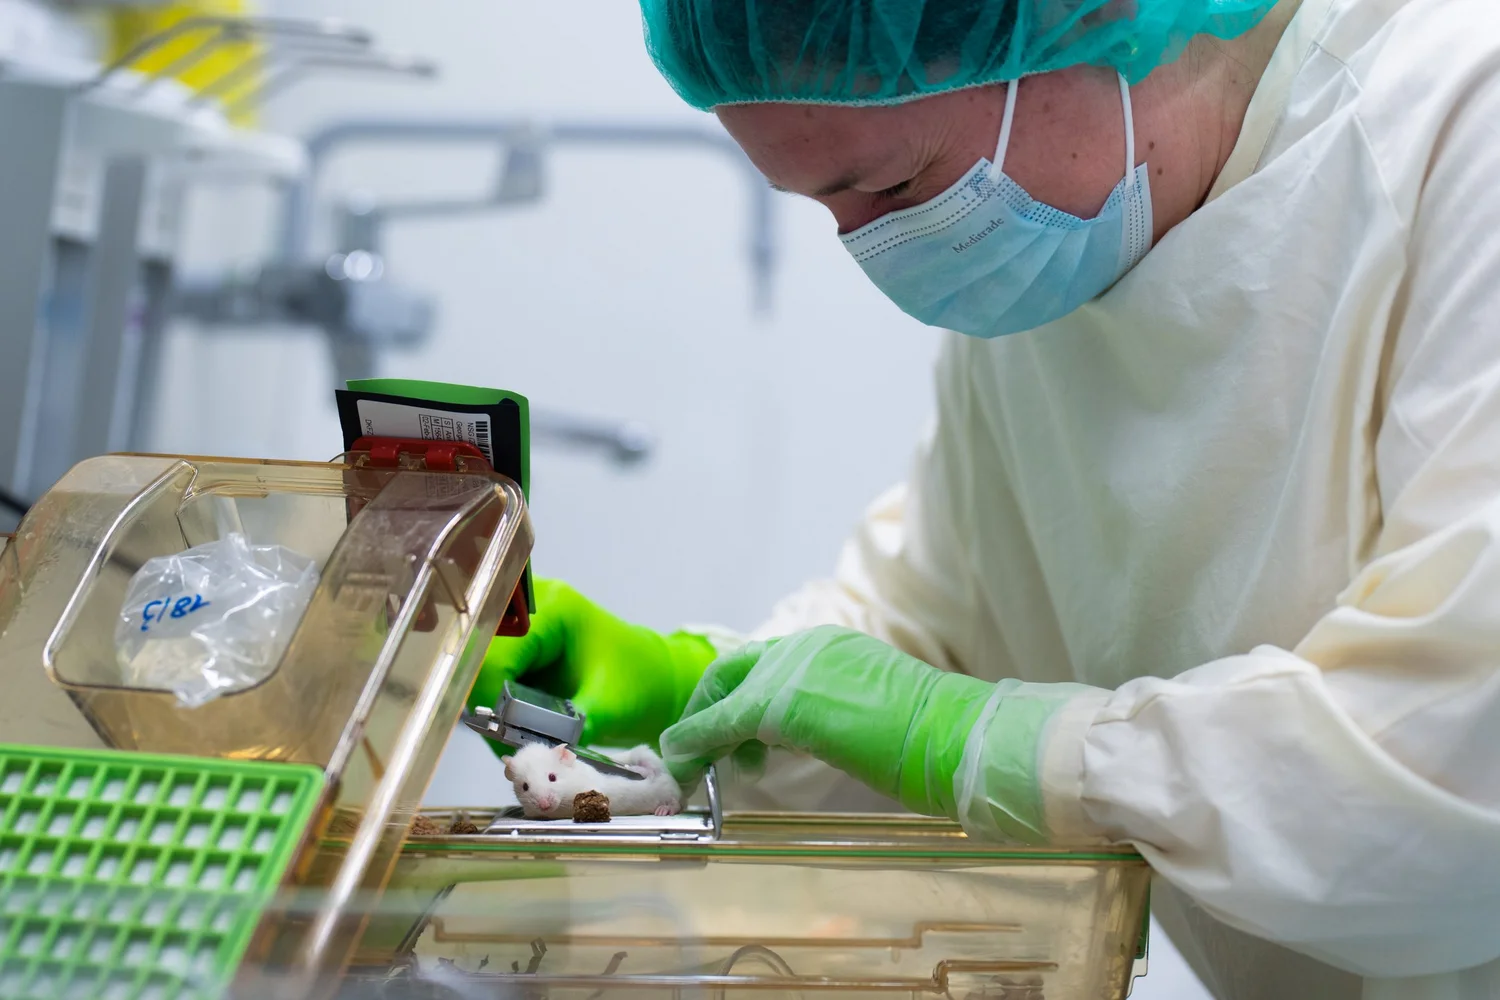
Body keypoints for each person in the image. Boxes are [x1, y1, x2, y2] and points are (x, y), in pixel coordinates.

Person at [473, 0, 1500, 996]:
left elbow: (1450, 768)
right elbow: (937, 621)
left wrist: (968, 740)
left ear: (1095, 16)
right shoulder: (1070, 238)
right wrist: (705, 692)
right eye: (826, 210)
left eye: (890, 185)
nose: (873, 249)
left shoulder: (1459, 125)